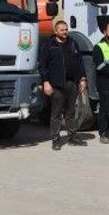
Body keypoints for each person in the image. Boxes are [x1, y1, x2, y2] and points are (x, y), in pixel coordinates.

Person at [39, 21, 88, 150]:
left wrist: (82, 79)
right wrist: (45, 82)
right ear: (56, 31)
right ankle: (55, 138)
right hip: (56, 85)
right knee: (56, 114)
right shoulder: (49, 45)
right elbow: (43, 66)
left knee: (71, 112)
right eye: (62, 30)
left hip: (71, 83)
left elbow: (80, 63)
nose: (65, 32)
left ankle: (72, 136)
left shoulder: (73, 43)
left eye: (66, 29)